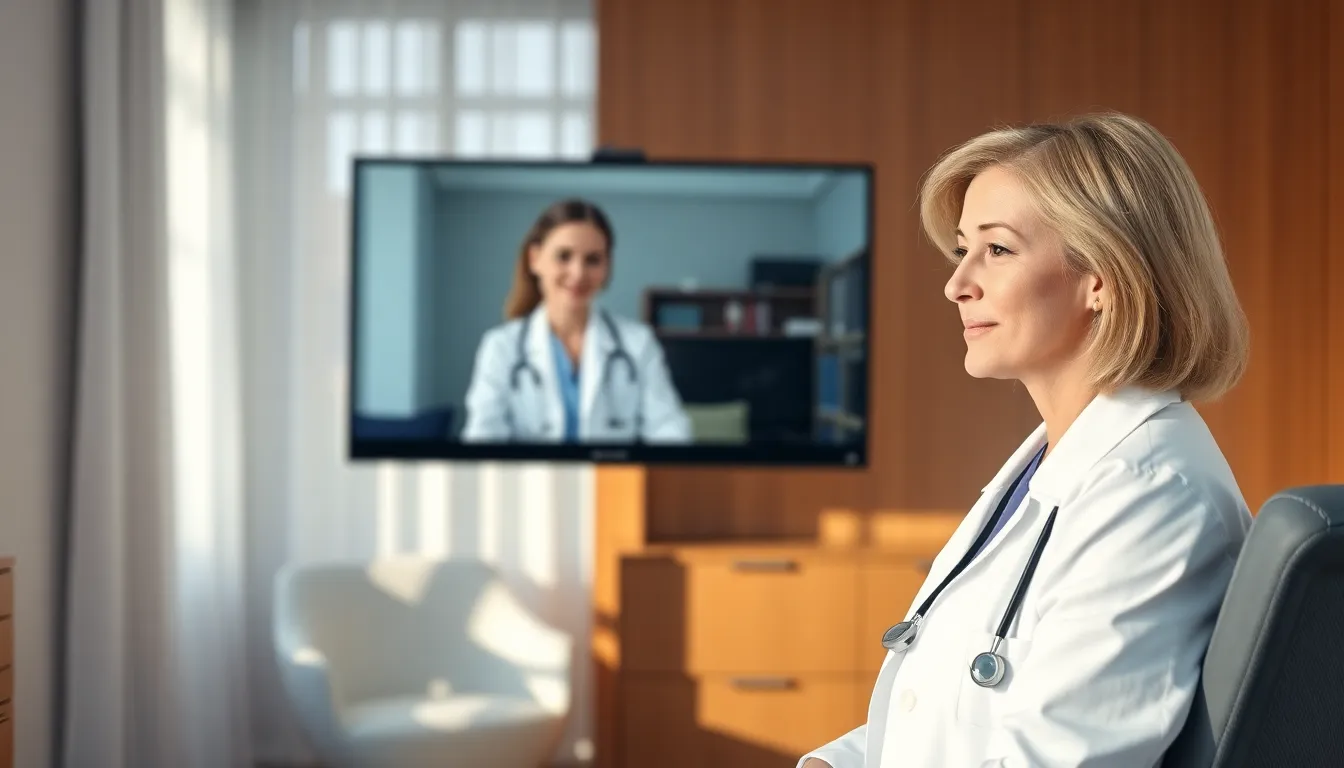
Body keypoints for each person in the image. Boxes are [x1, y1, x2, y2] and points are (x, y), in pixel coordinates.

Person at [800, 113, 1252, 768]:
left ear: (1103, 276)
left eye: (998, 250)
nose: (957, 284)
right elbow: (945, 711)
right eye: (962, 250)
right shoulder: (1053, 464)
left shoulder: (1152, 495)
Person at [460, 198, 692, 444]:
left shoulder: (638, 344)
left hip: (614, 482)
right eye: (564, 256)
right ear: (535, 259)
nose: (578, 273)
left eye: (593, 260)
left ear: (606, 268)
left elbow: (671, 431)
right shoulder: (501, 348)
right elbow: (482, 441)